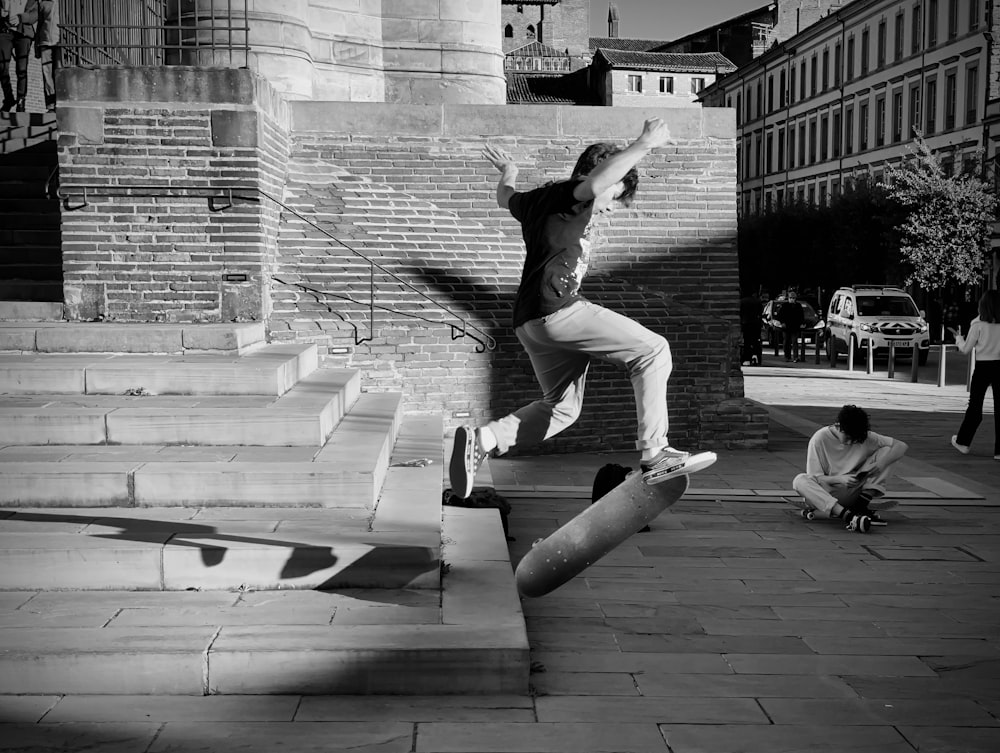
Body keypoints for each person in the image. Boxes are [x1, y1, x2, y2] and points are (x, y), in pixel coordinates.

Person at [449, 118, 714, 499]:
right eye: (614, 197)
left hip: (530, 321)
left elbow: (504, 197)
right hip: (557, 309)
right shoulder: (573, 196)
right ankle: (655, 452)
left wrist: (509, 172)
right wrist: (644, 144)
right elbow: (595, 184)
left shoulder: (534, 201)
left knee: (562, 408)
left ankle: (484, 439)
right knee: (653, 350)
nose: (611, 209)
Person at [791, 404, 909, 532]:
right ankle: (849, 516)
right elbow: (817, 478)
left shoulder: (866, 436)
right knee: (800, 480)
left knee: (888, 451)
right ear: (838, 426)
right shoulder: (820, 438)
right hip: (826, 493)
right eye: (847, 437)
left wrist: (880, 465)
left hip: (854, 491)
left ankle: (860, 506)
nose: (850, 442)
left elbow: (901, 446)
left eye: (855, 439)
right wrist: (839, 479)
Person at [948, 290, 1000, 461]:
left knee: (975, 406)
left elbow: (966, 349)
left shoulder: (977, 324)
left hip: (983, 366)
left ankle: (963, 442)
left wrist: (958, 338)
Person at [0, 0, 38, 113]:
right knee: (2, 66)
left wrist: (21, 18)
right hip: (5, 31)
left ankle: (21, 101)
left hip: (23, 34)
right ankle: (8, 98)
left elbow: (35, 14)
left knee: (21, 69)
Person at [34, 0, 56, 112]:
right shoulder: (43, 3)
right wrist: (36, 44)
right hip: (45, 42)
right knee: (47, 74)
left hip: (60, 43)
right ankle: (51, 105)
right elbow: (39, 24)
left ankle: (60, 102)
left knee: (60, 72)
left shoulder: (66, 4)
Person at [778, 289, 805, 362]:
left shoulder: (798, 306)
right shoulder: (784, 306)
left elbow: (801, 316)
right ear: (788, 298)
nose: (792, 299)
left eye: (793, 298)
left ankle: (795, 357)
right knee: (786, 342)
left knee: (794, 342)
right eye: (791, 298)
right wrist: (782, 323)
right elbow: (780, 315)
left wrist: (802, 323)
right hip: (786, 327)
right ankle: (787, 356)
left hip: (795, 327)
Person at [739, 290, 763, 366]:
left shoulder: (742, 301)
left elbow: (739, 313)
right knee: (756, 341)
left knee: (747, 342)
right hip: (756, 324)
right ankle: (756, 356)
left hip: (745, 324)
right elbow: (761, 312)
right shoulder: (758, 301)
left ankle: (747, 359)